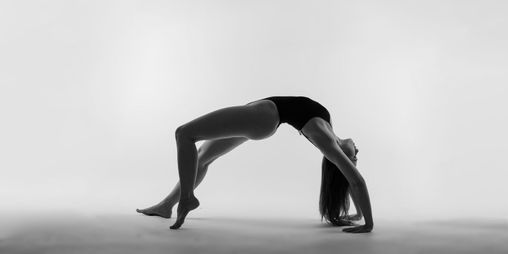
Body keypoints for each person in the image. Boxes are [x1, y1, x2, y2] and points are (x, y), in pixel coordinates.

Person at [136, 96, 374, 233]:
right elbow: (351, 180)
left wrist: (368, 224)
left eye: (353, 159)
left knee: (184, 134)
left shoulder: (327, 141)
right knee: (202, 156)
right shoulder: (329, 129)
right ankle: (167, 205)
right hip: (260, 117)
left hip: (265, 116)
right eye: (356, 158)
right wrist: (358, 213)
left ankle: (187, 198)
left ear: (341, 160)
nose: (356, 155)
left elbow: (355, 180)